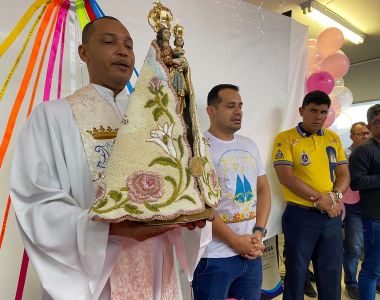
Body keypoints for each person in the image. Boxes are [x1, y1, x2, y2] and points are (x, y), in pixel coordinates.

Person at [10, 16, 208, 300]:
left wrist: (187, 212)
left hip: (157, 263)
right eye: (108, 41)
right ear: (84, 52)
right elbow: (36, 201)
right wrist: (111, 228)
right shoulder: (53, 116)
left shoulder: (155, 117)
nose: (122, 50)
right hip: (95, 273)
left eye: (129, 44)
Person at [192, 84, 271, 300]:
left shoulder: (249, 145)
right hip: (214, 257)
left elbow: (263, 190)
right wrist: (235, 241)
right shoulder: (198, 148)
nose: (238, 112)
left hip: (252, 252)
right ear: (211, 111)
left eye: (240, 106)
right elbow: (199, 204)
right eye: (230, 106)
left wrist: (258, 233)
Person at [272, 90, 350, 300]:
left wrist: (333, 198)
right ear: (301, 111)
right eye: (313, 111)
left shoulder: (333, 139)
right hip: (301, 216)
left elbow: (344, 173)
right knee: (297, 274)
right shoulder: (286, 138)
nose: (318, 117)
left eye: (323, 112)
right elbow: (285, 177)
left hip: (331, 217)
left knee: (331, 274)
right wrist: (320, 199)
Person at [349, 103, 380, 300]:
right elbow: (356, 182)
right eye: (379, 122)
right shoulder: (363, 151)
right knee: (372, 272)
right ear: (370, 126)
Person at [343, 122, 380, 299]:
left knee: (376, 245)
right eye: (361, 134)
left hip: (375, 206)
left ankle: (375, 280)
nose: (366, 136)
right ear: (352, 136)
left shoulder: (377, 152)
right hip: (353, 206)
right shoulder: (345, 155)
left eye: (367, 133)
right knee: (354, 247)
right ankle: (351, 284)